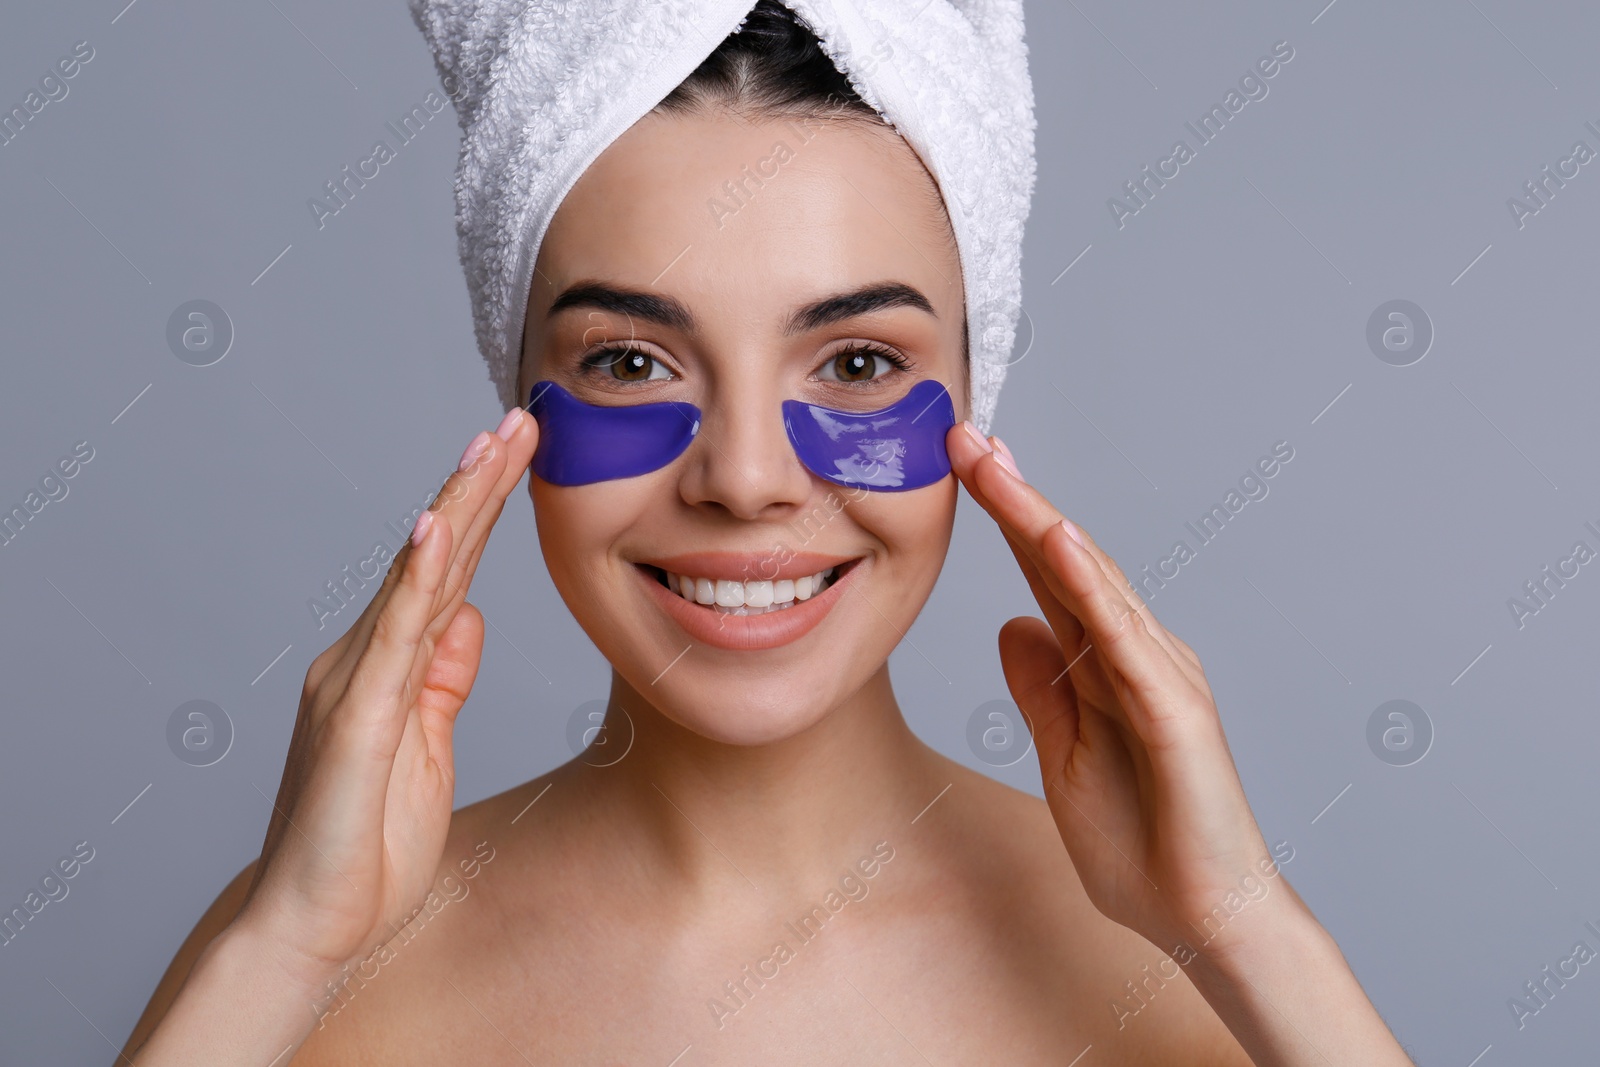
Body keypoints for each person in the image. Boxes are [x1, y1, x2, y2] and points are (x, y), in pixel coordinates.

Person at [123, 4, 1414, 1063]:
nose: (744, 478)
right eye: (631, 362)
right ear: (517, 401)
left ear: (976, 391)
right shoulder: (311, 979)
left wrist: (1255, 939)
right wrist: (281, 949)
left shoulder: (1182, 976)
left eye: (855, 361)